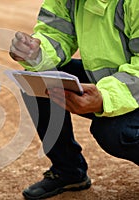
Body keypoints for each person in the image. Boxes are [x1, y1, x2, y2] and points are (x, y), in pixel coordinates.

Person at [9, 0, 139, 199]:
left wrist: (105, 97)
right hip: (117, 83)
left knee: (116, 132)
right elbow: (55, 34)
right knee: (40, 82)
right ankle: (69, 170)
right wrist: (35, 53)